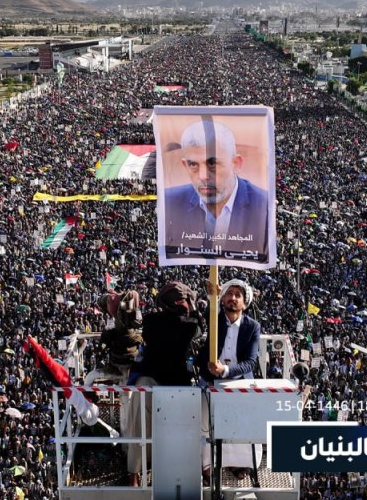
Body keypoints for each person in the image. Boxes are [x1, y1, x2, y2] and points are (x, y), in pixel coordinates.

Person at [124, 281, 206, 486]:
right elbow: (197, 328)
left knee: (140, 423)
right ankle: (137, 470)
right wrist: (193, 310)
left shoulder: (151, 320)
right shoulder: (189, 325)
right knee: (180, 426)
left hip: (161, 380)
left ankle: (133, 471)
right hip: (171, 382)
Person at [162, 120, 269, 263]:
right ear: (185, 165)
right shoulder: (169, 203)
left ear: (236, 164)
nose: (203, 176)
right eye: (193, 164)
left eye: (212, 163)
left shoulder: (264, 206)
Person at [199, 279, 261, 484]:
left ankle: (236, 463)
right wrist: (213, 297)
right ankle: (207, 466)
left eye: (237, 295)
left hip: (238, 381)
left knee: (239, 424)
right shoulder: (216, 319)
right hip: (210, 380)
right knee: (205, 422)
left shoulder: (252, 327)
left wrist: (225, 370)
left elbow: (250, 362)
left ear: (245, 302)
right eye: (229, 294)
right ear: (223, 298)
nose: (232, 298)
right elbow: (209, 314)